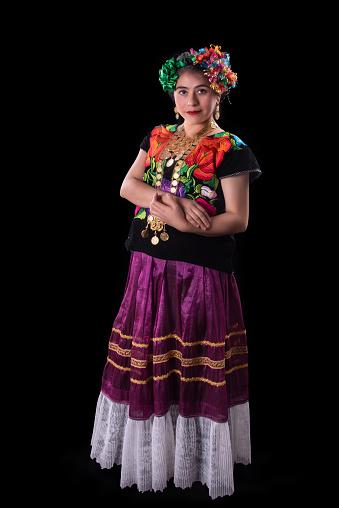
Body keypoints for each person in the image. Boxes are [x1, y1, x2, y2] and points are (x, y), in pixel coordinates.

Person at [90, 44, 261, 499]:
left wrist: (177, 215)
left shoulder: (232, 149)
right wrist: (179, 204)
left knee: (191, 358)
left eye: (202, 91)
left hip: (198, 274)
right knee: (150, 355)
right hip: (148, 267)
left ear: (218, 93)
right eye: (182, 91)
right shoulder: (160, 135)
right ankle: (155, 455)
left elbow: (237, 220)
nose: (191, 101)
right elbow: (128, 186)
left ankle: (196, 460)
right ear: (172, 96)